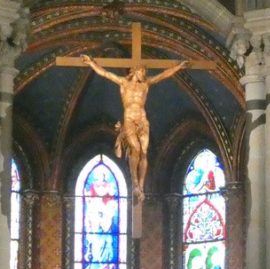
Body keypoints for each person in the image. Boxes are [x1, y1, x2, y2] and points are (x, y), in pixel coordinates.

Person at [79, 54, 188, 201]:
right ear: (135, 70)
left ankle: (141, 186)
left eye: (145, 72)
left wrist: (178, 67)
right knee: (135, 149)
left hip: (142, 119)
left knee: (144, 152)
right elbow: (105, 74)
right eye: (142, 71)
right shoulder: (124, 83)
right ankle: (135, 183)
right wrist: (92, 63)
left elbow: (162, 75)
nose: (144, 74)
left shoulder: (146, 85)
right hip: (129, 119)